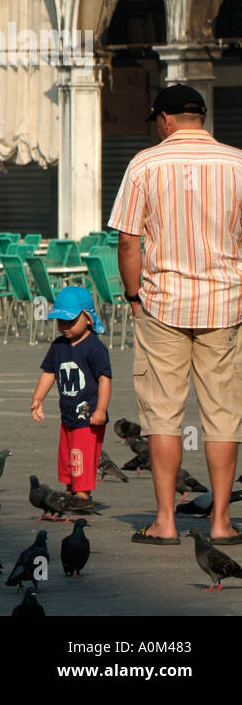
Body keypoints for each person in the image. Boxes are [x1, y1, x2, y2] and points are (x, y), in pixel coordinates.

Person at [108, 84, 242, 546]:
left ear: (165, 119)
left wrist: (132, 295)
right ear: (200, 117)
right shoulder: (238, 163)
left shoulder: (145, 163)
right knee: (223, 414)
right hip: (225, 304)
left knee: (163, 415)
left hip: (162, 303)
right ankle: (222, 522)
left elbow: (127, 241)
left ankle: (165, 521)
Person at [29, 286, 112, 500]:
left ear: (87, 317)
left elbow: (104, 379)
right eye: (60, 321)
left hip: (88, 416)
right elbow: (49, 373)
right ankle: (69, 489)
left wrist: (101, 409)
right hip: (67, 415)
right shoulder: (58, 346)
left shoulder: (95, 348)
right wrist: (38, 398)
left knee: (81, 455)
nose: (64, 327)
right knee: (67, 456)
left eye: (70, 321)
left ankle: (82, 494)